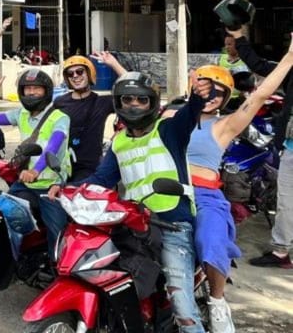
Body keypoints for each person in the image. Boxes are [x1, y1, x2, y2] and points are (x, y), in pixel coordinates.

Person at [50, 71, 215, 333]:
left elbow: (190, 112)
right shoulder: (119, 142)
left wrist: (199, 94)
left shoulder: (169, 130)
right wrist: (68, 189)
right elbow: (101, 178)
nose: (134, 105)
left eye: (141, 100)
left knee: (183, 309)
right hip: (134, 224)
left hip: (173, 226)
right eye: (127, 99)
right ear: (119, 103)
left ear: (152, 103)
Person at [188, 54, 293, 333]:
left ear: (224, 99)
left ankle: (217, 302)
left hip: (204, 196)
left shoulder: (225, 125)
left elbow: (260, 97)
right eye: (206, 88)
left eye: (218, 93)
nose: (211, 96)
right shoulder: (173, 115)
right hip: (163, 194)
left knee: (211, 241)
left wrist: (289, 58)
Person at [0, 68, 71, 260]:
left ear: (46, 91)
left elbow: (52, 147)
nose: (31, 93)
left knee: (58, 238)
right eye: (27, 89)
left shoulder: (60, 118)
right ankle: (11, 262)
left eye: (36, 88)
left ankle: (57, 275)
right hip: (25, 184)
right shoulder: (21, 114)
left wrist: (35, 170)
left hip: (51, 187)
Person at [226, 27, 293, 269]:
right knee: (287, 202)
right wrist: (239, 37)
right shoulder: (289, 68)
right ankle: (281, 252)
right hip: (289, 147)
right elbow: (259, 65)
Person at [52, 52, 126, 181]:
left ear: (89, 73)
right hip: (61, 166)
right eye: (70, 74)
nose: (75, 76)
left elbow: (136, 89)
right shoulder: (60, 102)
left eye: (80, 71)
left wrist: (114, 64)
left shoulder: (103, 102)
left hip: (88, 169)